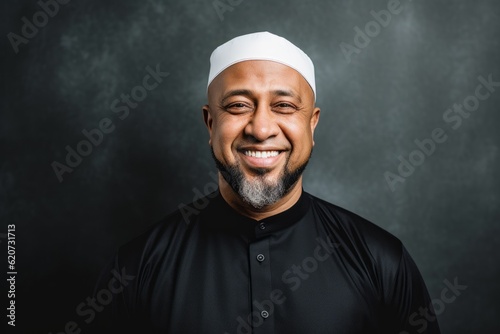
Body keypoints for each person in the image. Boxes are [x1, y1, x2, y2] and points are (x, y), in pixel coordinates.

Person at [91, 31, 440, 334]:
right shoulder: (137, 268)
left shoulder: (381, 261)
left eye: (284, 106)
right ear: (210, 123)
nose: (260, 129)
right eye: (239, 105)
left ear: (312, 124)